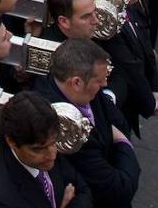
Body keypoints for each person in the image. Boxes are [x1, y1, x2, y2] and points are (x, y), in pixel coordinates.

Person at [36, 38, 139, 208]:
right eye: (99, 81)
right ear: (76, 82)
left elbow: (120, 122)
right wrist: (122, 141)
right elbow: (119, 189)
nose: (105, 84)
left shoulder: (87, 89)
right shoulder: (66, 128)